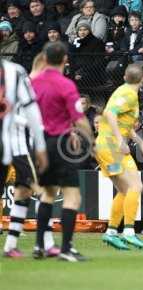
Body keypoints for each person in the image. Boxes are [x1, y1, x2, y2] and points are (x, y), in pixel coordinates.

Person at [31, 41, 94, 262]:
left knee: (47, 193)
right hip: (60, 145)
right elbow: (79, 118)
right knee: (72, 197)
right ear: (65, 60)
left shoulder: (33, 83)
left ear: (45, 59)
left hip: (38, 143)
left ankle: (39, 245)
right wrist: (91, 141)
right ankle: (66, 248)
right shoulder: (66, 85)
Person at [96, 64, 143, 250]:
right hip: (111, 147)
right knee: (135, 186)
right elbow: (109, 113)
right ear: (142, 79)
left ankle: (111, 232)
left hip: (108, 147)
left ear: (125, 77)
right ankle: (128, 232)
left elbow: (121, 123)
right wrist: (120, 141)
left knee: (126, 190)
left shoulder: (124, 91)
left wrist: (140, 142)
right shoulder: (128, 94)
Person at [0, 57, 48, 252]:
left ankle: (11, 245)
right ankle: (45, 242)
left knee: (27, 188)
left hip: (17, 143)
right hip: (16, 140)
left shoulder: (18, 76)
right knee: (38, 189)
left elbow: (30, 111)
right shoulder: (23, 78)